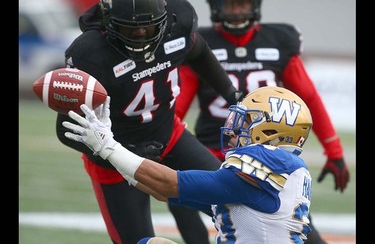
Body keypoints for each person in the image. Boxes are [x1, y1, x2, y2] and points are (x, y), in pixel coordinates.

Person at [55, 0, 244, 244]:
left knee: (236, 206)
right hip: (113, 161)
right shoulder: (91, 55)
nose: (142, 33)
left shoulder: (176, 24)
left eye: (149, 25)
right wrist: (126, 154)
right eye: (131, 26)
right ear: (109, 22)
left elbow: (200, 53)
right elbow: (67, 129)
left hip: (171, 138)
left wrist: (232, 94)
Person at [175, 0, 350, 243]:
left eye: (242, 3)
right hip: (214, 149)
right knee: (179, 196)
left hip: (265, 155)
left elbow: (310, 98)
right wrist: (167, 143)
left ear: (256, 4)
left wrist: (334, 150)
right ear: (214, 5)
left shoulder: (279, 40)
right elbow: (178, 105)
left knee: (299, 229)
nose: (236, 11)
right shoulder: (201, 44)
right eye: (229, 4)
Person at [62, 86, 314, 244]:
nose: (236, 130)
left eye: (246, 122)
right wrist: (114, 155)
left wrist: (108, 146)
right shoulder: (285, 169)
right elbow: (164, 191)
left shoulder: (272, 161)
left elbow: (170, 183)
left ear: (271, 131)